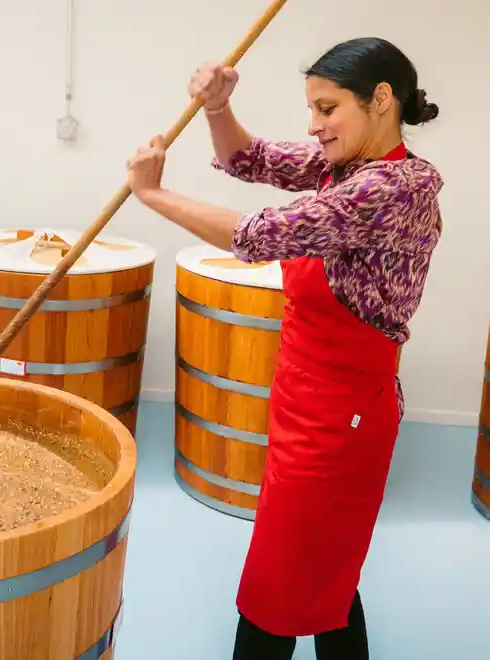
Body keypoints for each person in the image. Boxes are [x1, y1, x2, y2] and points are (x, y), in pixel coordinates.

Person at [126, 36, 443, 659]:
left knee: (278, 584)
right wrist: (218, 107)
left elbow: (263, 234)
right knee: (324, 570)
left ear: (381, 99)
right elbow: (249, 159)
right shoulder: (343, 166)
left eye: (327, 109)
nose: (314, 125)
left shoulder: (396, 187)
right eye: (311, 110)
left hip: (343, 421)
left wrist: (153, 195)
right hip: (305, 401)